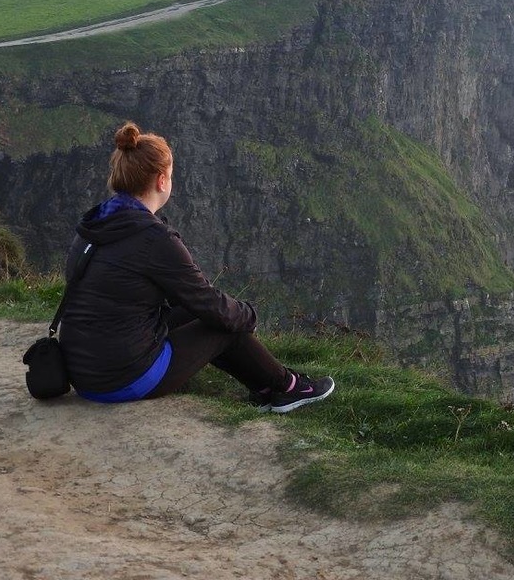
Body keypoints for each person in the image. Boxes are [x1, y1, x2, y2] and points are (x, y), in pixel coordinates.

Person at [59, 121, 334, 412]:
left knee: (197, 313)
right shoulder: (153, 238)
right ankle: (288, 387)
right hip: (121, 378)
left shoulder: (94, 225)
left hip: (81, 368)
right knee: (224, 323)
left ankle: (265, 385)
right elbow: (209, 304)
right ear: (162, 180)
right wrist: (248, 315)